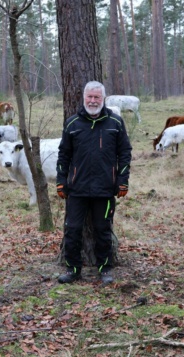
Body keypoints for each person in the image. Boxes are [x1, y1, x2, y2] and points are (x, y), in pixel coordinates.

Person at [56, 81, 132, 285]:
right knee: (72, 230)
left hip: (105, 189)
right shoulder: (72, 124)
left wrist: (122, 181)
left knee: (103, 230)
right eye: (89, 97)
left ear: (103, 99)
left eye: (96, 97)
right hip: (76, 189)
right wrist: (61, 182)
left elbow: (125, 153)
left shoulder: (115, 123)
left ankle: (105, 269)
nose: (92, 101)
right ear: (83, 98)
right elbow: (63, 155)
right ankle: (72, 270)